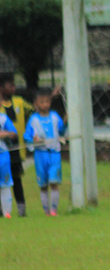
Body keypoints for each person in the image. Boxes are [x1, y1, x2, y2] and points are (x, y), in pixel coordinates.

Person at [24, 88, 65, 216]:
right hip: (40, 155)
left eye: (47, 101)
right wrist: (33, 140)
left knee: (54, 181)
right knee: (43, 184)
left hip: (54, 153)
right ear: (36, 104)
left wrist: (65, 123)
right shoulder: (33, 120)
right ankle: (46, 211)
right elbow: (26, 136)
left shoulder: (55, 117)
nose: (45, 104)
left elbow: (62, 130)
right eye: (42, 102)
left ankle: (54, 210)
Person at [0, 73, 28, 217]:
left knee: (15, 180)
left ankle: (21, 210)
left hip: (13, 150)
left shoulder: (18, 102)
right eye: (10, 85)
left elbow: (13, 132)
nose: (13, 88)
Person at [0, 108, 18, 218]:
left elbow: (14, 133)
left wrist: (5, 134)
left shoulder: (3, 118)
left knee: (5, 184)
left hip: (3, 155)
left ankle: (7, 213)